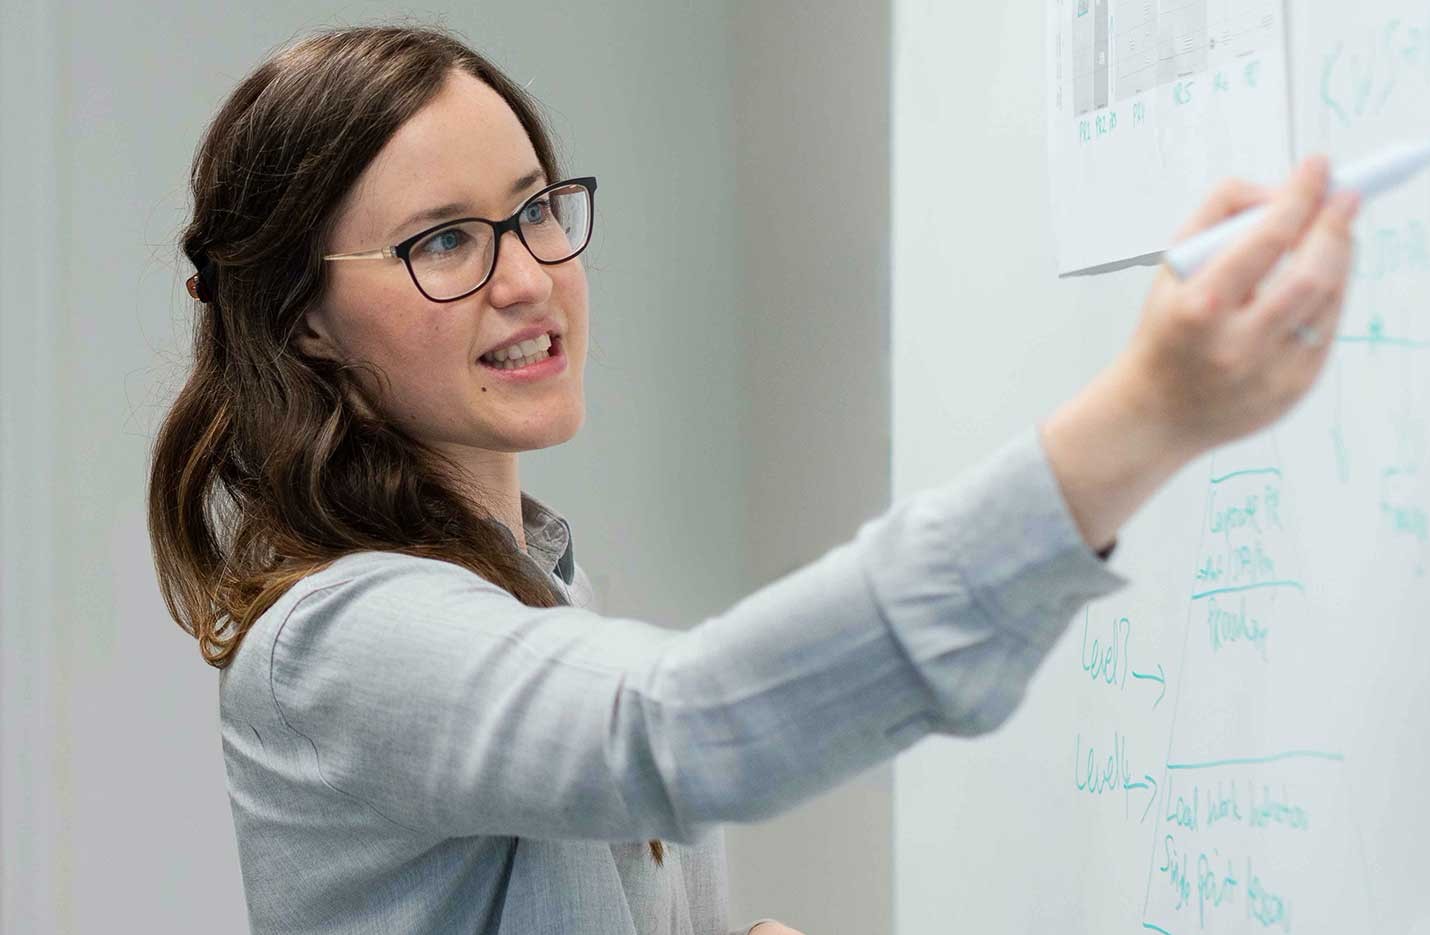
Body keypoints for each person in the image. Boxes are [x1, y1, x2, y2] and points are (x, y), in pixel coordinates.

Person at [145, 23, 1359, 935]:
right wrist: (1142, 418)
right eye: (445, 240)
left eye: (535, 211)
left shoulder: (539, 585)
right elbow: (674, 725)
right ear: (305, 319)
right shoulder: (338, 639)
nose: (528, 278)